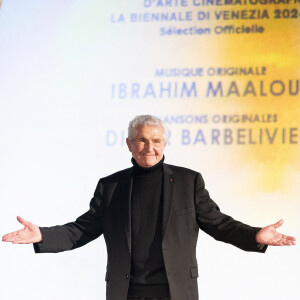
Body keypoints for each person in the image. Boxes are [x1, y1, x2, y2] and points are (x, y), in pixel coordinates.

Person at [2, 115, 296, 300]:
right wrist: (42, 235)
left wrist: (256, 235)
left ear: (164, 144)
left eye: (156, 141)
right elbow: (84, 229)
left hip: (175, 290)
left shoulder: (187, 181)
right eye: (142, 141)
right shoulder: (111, 186)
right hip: (126, 291)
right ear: (129, 144)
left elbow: (219, 224)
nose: (149, 148)